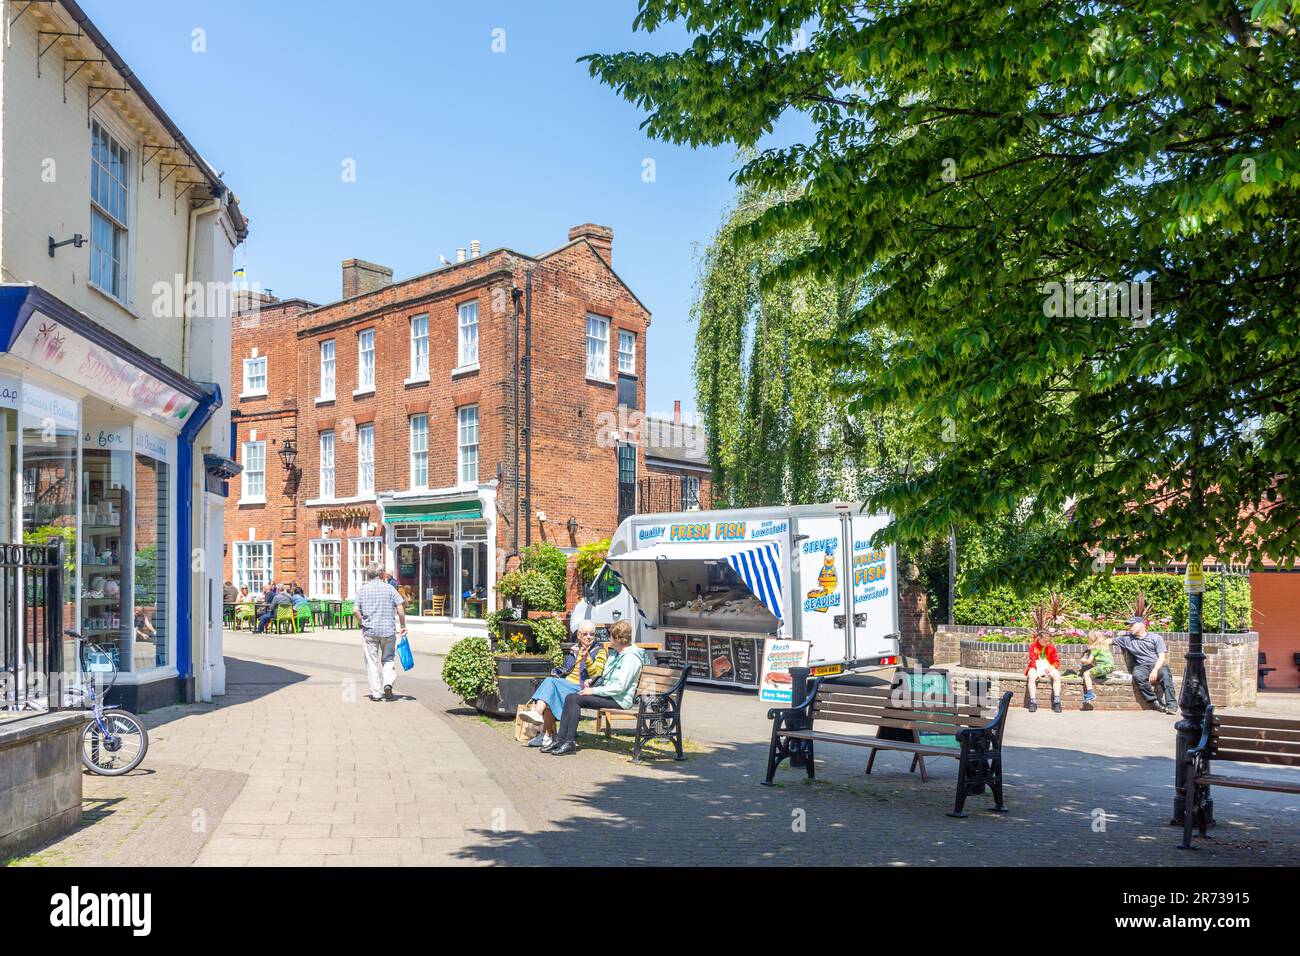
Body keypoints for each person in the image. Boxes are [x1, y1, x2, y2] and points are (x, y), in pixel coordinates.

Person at [546, 620, 643, 756]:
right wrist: (593, 681)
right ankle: (561, 740)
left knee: (575, 699)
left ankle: (569, 742)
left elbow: (620, 687)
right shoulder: (616, 654)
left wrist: (593, 690)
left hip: (619, 699)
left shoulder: (630, 659)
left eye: (611, 636)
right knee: (571, 698)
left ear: (617, 638)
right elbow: (606, 676)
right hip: (609, 694)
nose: (609, 640)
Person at [522, 620, 609, 749]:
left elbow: (596, 674)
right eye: (585, 634)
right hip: (567, 683)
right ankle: (546, 736)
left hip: (582, 687)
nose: (589, 637)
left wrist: (587, 659)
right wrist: (572, 656)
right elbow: (567, 669)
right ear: (579, 635)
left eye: (592, 634)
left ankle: (538, 717)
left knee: (550, 684)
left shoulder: (599, 651)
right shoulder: (575, 648)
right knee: (550, 692)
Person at [356, 561, 407, 701]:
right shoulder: (390, 588)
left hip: (370, 631)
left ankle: (376, 693)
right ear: (381, 573)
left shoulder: (362, 589)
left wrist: (362, 622)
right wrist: (403, 626)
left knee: (372, 663)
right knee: (388, 659)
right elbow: (400, 608)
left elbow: (355, 610)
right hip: (388, 631)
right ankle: (388, 684)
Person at [1113, 615, 1178, 714]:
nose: (1129, 628)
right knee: (1137, 675)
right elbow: (1108, 641)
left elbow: (1162, 657)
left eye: (1132, 625)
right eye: (1129, 626)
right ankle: (1155, 702)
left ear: (1141, 625)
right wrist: (1095, 645)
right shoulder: (1127, 639)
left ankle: (1172, 706)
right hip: (1141, 666)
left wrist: (1155, 670)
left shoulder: (1155, 638)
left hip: (1156, 664)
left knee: (1166, 676)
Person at [1024, 629, 1062, 713]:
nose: (1047, 643)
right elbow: (1032, 660)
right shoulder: (1033, 646)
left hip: (1048, 667)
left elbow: (1056, 661)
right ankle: (1033, 702)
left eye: (1048, 641)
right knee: (1031, 676)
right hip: (1036, 667)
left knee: (1057, 676)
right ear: (1039, 639)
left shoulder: (1051, 647)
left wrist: (1052, 667)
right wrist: (1039, 671)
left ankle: (1057, 701)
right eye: (1045, 641)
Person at [1080, 631, 1116, 705]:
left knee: (1086, 674)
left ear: (1092, 639)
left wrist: (1083, 660)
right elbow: (1096, 663)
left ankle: (1090, 694)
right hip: (1110, 667)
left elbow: (1089, 661)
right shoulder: (1104, 646)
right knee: (1096, 673)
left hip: (1104, 667)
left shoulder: (1094, 648)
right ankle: (1102, 676)